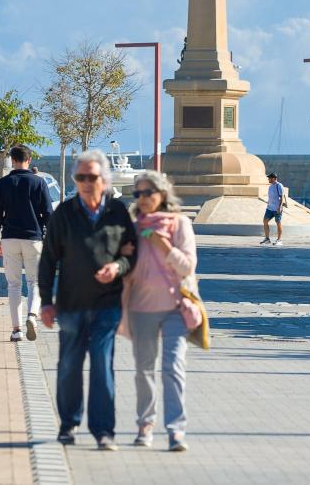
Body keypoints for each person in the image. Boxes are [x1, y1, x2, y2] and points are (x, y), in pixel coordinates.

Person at [38, 149, 136, 450]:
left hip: (107, 304)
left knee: (102, 366)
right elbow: (48, 260)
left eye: (91, 177)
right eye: (80, 177)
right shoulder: (64, 213)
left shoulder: (117, 211)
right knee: (69, 364)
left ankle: (103, 431)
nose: (85, 182)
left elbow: (132, 253)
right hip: (71, 303)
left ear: (104, 179)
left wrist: (117, 267)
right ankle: (68, 424)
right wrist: (45, 301)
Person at [121, 171, 197, 452]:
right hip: (141, 309)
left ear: (162, 194)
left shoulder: (179, 224)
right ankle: (145, 424)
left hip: (175, 308)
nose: (142, 198)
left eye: (147, 193)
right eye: (137, 194)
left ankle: (176, 430)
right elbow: (125, 271)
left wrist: (164, 246)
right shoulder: (132, 228)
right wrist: (123, 257)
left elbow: (187, 267)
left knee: (173, 368)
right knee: (144, 370)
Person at [0, 145, 53, 342]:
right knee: (35, 282)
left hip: (10, 238)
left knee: (13, 285)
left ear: (12, 160)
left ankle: (16, 330)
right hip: (33, 238)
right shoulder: (39, 182)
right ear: (30, 159)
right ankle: (32, 316)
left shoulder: (2, 183)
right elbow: (48, 213)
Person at [260, 172, 285, 246]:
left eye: (270, 178)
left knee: (278, 222)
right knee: (265, 221)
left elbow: (282, 197)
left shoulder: (279, 185)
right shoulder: (270, 186)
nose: (268, 179)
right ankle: (267, 239)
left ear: (274, 178)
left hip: (277, 208)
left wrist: (279, 207)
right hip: (270, 208)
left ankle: (279, 240)